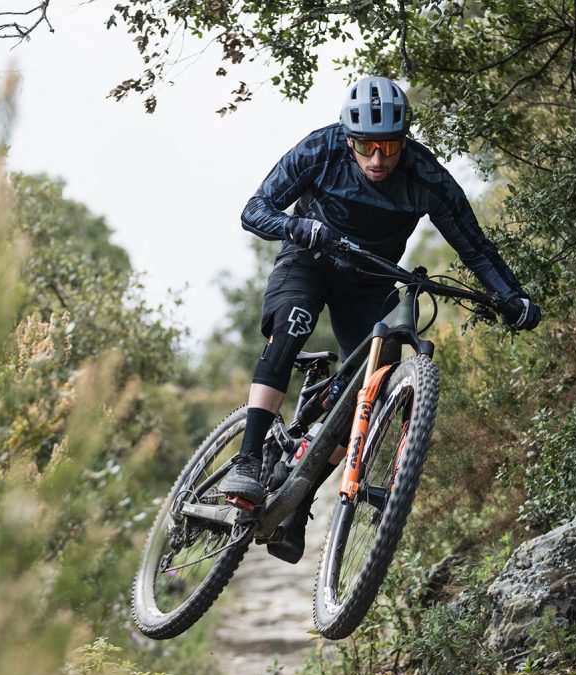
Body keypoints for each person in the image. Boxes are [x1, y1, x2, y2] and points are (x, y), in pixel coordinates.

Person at [218, 76, 541, 563]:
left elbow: (474, 246)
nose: (377, 158)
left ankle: (297, 500)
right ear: (349, 139)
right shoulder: (321, 150)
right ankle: (246, 459)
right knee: (293, 325)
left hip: (368, 282)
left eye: (388, 145)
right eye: (366, 146)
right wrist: (296, 226)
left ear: (404, 139)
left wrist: (511, 297)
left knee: (367, 389)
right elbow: (254, 210)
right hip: (309, 262)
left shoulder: (424, 177)